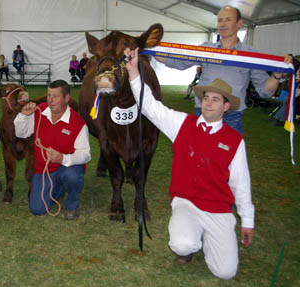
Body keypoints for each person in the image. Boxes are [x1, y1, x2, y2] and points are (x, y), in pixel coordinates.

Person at [125, 47, 254, 280]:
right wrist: (134, 72)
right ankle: (192, 238)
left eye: (216, 99)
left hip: (218, 209)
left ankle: (208, 237)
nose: (209, 103)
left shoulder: (235, 141)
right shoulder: (182, 124)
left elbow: (241, 184)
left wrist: (248, 221)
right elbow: (150, 107)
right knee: (181, 245)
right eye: (206, 98)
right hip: (186, 202)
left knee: (225, 272)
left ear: (226, 106)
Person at [153, 5, 293, 134]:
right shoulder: (206, 49)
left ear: (239, 23)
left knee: (228, 160)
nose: (223, 24)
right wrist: (150, 50)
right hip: (203, 113)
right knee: (198, 157)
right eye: (220, 20)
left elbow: (265, 90)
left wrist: (277, 73)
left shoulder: (250, 56)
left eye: (228, 19)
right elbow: (177, 61)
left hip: (232, 118)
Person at [14, 80, 91, 220]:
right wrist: (24, 115)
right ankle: (59, 187)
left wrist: (63, 158)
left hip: (66, 167)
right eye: (49, 95)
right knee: (37, 209)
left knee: (72, 176)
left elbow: (85, 155)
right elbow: (21, 133)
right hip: (44, 169)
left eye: (55, 96)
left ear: (66, 98)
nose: (51, 100)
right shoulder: (39, 111)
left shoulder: (77, 122)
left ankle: (72, 205)